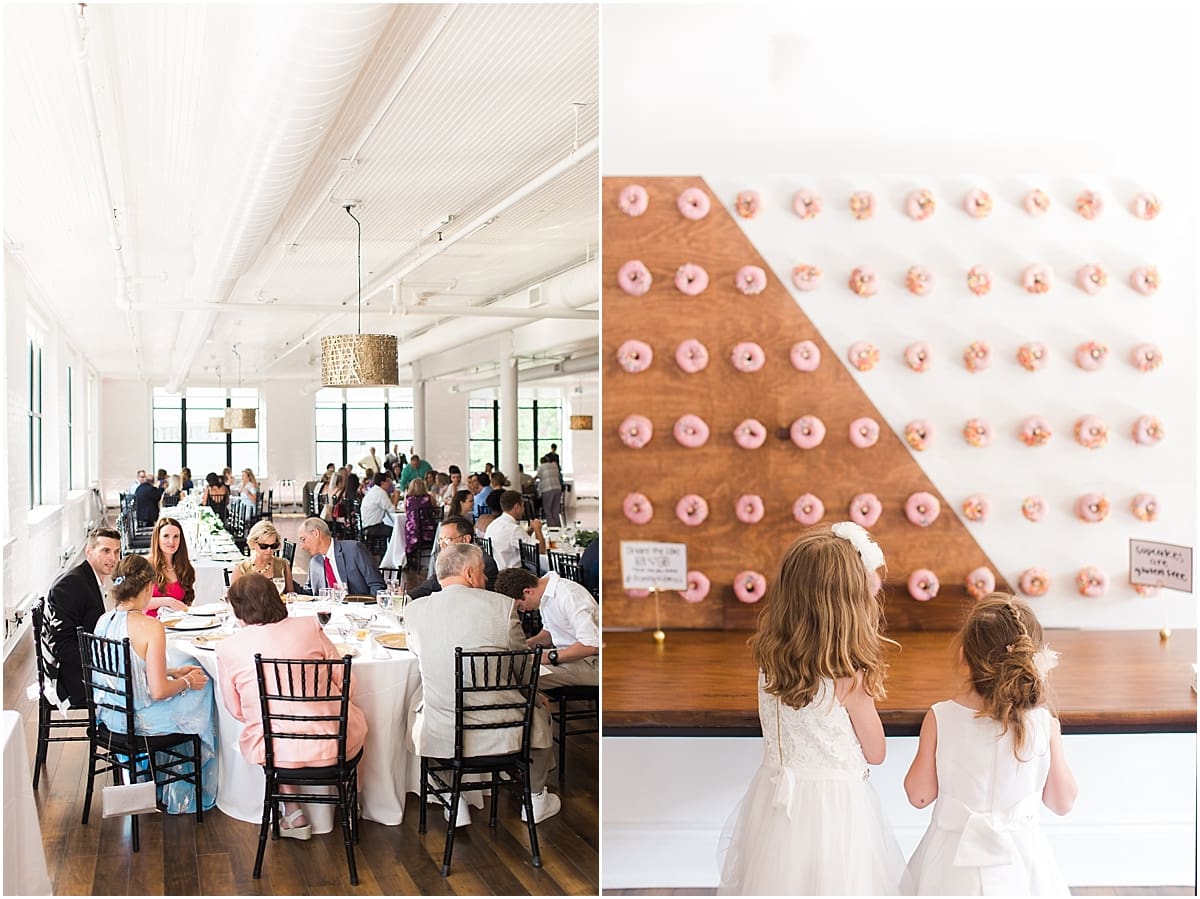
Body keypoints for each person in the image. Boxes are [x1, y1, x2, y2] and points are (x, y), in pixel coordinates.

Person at [717, 523, 904, 894]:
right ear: (850, 604)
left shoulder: (769, 662)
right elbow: (877, 752)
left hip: (774, 798)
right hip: (834, 810)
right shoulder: (849, 675)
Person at [902, 594, 1077, 895]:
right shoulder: (1044, 723)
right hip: (1022, 865)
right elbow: (1062, 803)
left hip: (952, 866)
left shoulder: (941, 716)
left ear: (963, 655)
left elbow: (918, 796)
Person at [404, 543, 560, 826]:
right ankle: (535, 797)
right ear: (470, 574)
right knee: (539, 709)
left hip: (444, 727)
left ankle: (453, 795)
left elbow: (419, 654)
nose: (486, 580)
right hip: (502, 726)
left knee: (418, 702)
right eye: (483, 574)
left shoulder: (414, 611)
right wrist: (536, 695)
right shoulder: (502, 606)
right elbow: (522, 666)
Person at [217, 573, 367, 840]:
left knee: (272, 730)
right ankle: (351, 803)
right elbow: (348, 685)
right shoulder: (309, 627)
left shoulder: (228, 647)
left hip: (274, 750)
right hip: (332, 744)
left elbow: (236, 709)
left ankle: (294, 813)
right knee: (355, 720)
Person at [91, 554, 218, 813]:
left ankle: (158, 780)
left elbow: (127, 670)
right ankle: (180, 788)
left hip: (109, 716)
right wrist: (186, 681)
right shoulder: (151, 627)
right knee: (203, 689)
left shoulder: (103, 621)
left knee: (188, 687)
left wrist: (172, 671)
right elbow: (158, 692)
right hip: (139, 721)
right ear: (149, 587)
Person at [41, 527, 121, 708]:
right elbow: (60, 645)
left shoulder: (90, 578)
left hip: (87, 663)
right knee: (137, 680)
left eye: (116, 552)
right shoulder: (70, 585)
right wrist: (105, 658)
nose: (113, 558)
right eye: (105, 551)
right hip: (74, 679)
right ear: (89, 551)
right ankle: (119, 732)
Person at [493, 567, 599, 689]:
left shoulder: (569, 595)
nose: (522, 610)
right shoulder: (544, 595)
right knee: (511, 668)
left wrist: (549, 657)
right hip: (571, 656)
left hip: (594, 662)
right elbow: (549, 633)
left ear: (527, 592)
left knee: (521, 677)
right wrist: (525, 645)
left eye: (520, 606)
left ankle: (538, 707)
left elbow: (592, 645)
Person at [409, 515, 499, 598]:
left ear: (465, 539)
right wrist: (407, 598)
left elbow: (478, 598)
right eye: (440, 540)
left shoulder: (482, 562)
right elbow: (430, 585)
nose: (442, 545)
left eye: (447, 540)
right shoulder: (452, 559)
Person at [296, 517, 384, 596]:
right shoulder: (315, 562)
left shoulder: (353, 550)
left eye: (303, 539)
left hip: (358, 609)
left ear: (316, 533)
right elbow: (308, 594)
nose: (302, 546)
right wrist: (286, 578)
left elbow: (377, 585)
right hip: (328, 611)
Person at [147, 517, 195, 618]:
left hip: (177, 624)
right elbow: (135, 602)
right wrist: (169, 601)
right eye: (166, 536)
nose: (171, 541)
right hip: (150, 624)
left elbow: (185, 603)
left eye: (176, 536)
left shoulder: (184, 566)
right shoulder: (146, 564)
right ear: (157, 538)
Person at [485, 490, 545, 571]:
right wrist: (538, 529)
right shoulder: (513, 529)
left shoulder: (493, 524)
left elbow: (517, 540)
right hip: (513, 573)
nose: (523, 510)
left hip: (496, 570)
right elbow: (540, 550)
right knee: (546, 571)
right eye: (523, 506)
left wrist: (530, 531)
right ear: (517, 507)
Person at [231, 520, 295, 594]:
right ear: (253, 543)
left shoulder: (282, 565)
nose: (269, 550)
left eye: (273, 546)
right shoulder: (241, 568)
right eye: (264, 546)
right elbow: (233, 599)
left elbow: (291, 596)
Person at [403, 478, 438, 559]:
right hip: (428, 531)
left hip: (413, 531)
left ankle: (410, 558)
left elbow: (406, 512)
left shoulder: (408, 499)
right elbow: (437, 511)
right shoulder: (429, 498)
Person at [360, 472, 398, 542]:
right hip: (372, 527)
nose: (389, 484)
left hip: (366, 524)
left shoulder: (374, 490)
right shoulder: (380, 493)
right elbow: (392, 510)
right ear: (382, 482)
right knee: (395, 531)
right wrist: (396, 497)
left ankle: (388, 550)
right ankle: (391, 552)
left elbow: (388, 506)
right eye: (388, 481)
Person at [535, 456, 563, 528]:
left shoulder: (541, 467)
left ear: (541, 462)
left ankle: (551, 528)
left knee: (548, 509)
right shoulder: (554, 465)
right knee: (555, 510)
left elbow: (537, 476)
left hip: (547, 489)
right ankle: (558, 527)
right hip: (557, 488)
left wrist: (530, 481)